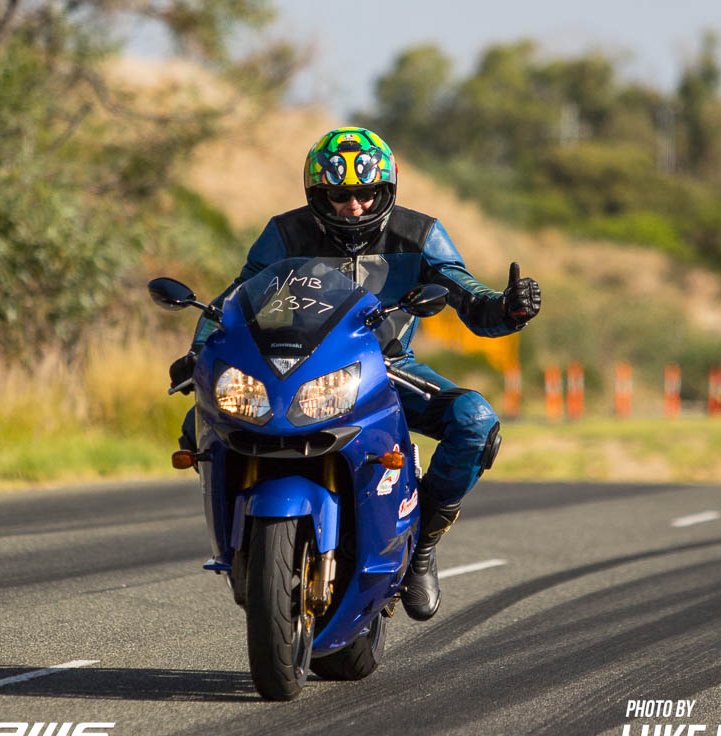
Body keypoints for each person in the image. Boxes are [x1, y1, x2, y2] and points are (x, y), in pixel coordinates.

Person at [168, 127, 541, 621]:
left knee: (476, 422)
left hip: (388, 368)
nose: (354, 206)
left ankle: (421, 542)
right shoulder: (283, 233)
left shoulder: (422, 234)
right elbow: (234, 301)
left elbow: (468, 296)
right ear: (316, 194)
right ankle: (242, 544)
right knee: (200, 421)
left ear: (387, 190)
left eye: (366, 193)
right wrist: (200, 353)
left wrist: (508, 309)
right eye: (339, 195)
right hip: (295, 367)